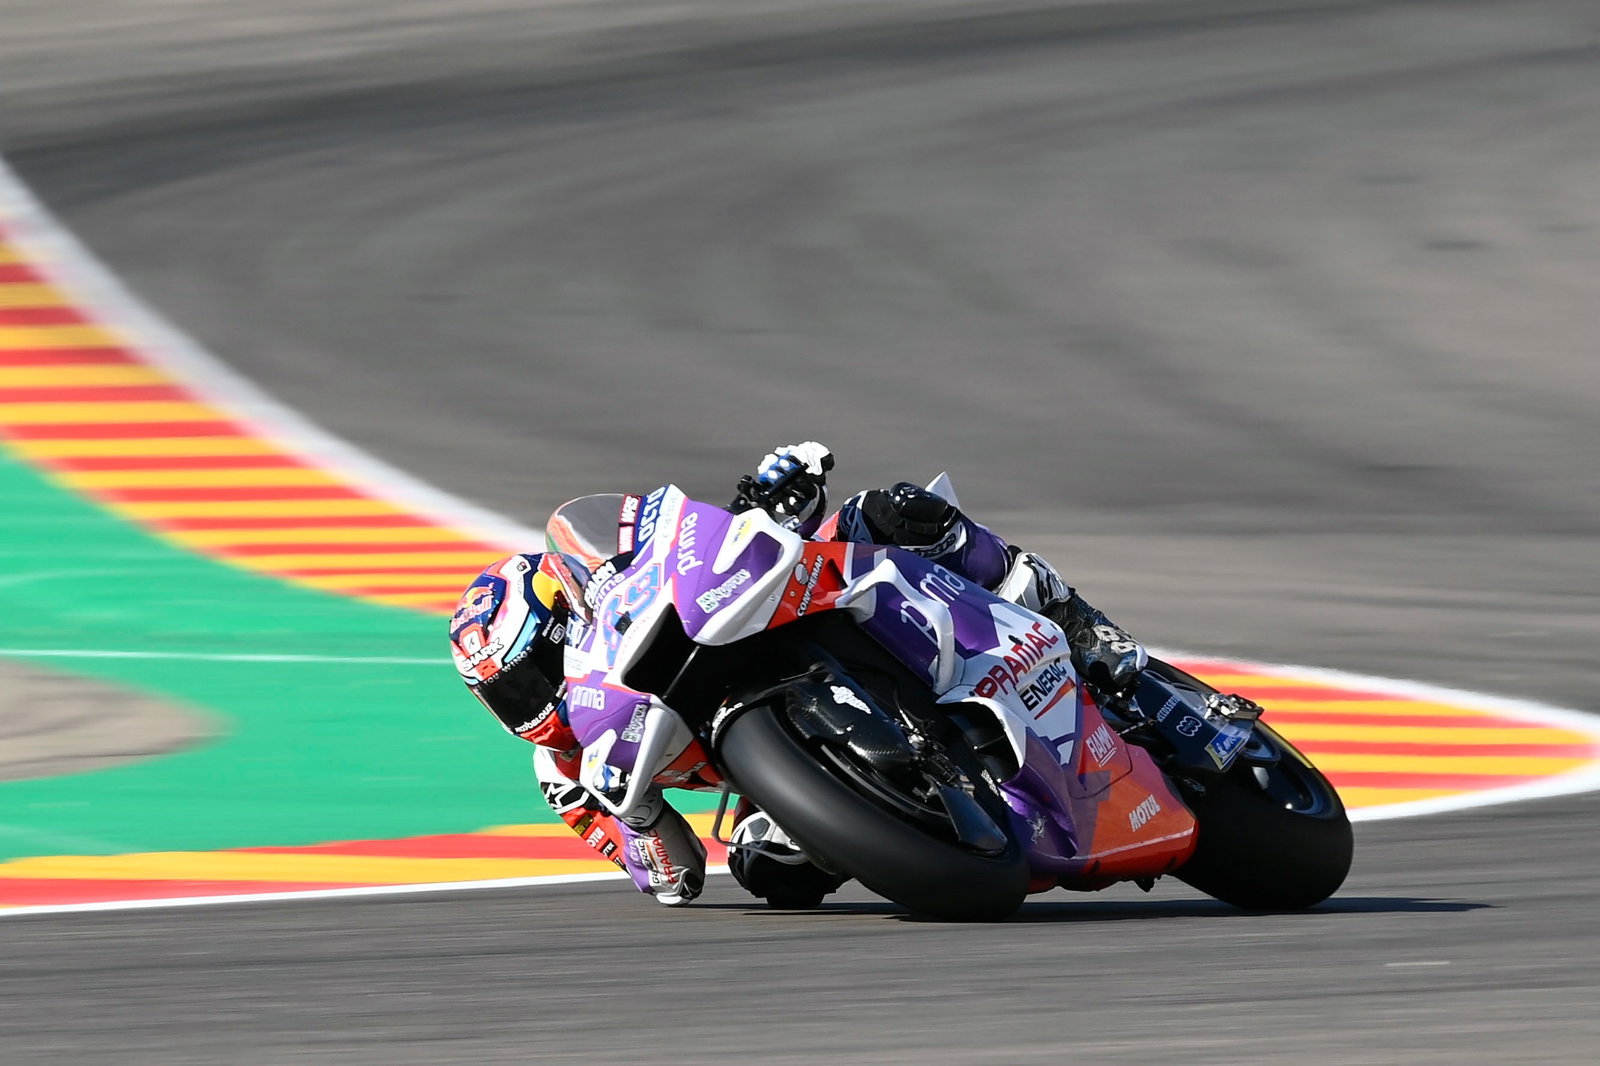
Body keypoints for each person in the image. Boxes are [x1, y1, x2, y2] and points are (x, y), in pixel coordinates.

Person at [448, 443, 1146, 908]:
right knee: (764, 870)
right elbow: (670, 875)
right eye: (505, 694)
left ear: (562, 621)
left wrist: (768, 499)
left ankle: (1072, 616)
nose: (528, 701)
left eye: (530, 672)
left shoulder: (613, 587)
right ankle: (910, 817)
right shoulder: (564, 774)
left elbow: (686, 545)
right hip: (776, 777)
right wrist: (637, 824)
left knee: (891, 511)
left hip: (778, 620)